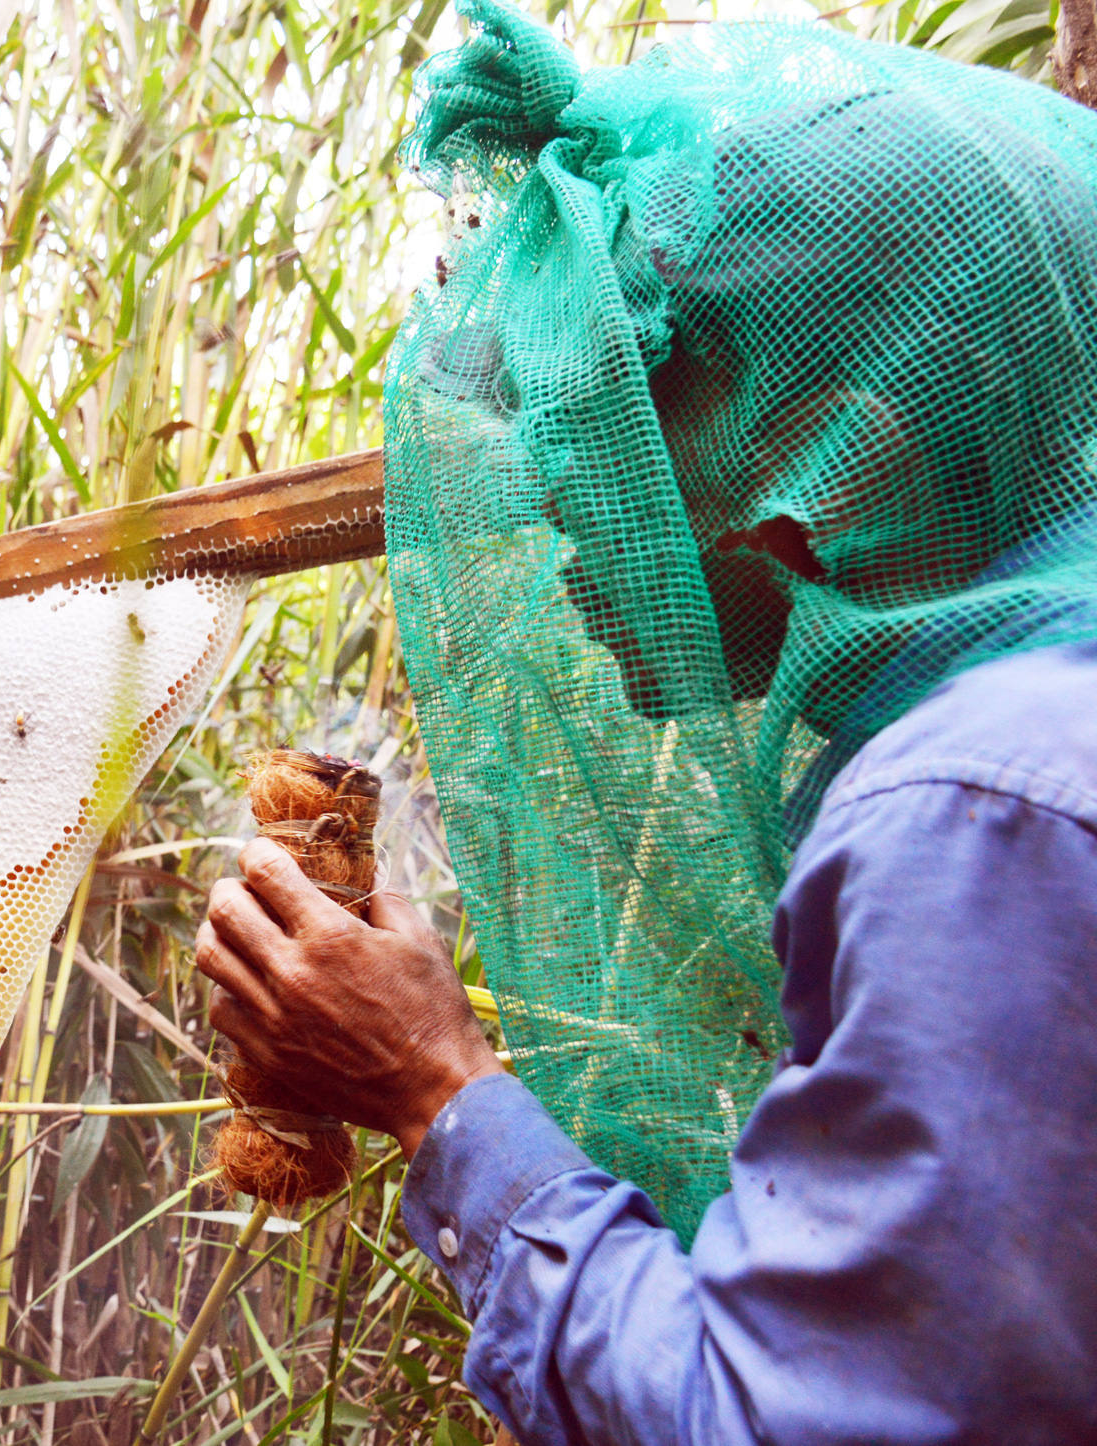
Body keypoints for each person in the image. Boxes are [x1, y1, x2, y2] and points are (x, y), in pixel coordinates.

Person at [196, 4, 1097, 1442]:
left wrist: (437, 1087)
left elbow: (775, 1419)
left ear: (836, 456)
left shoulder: (978, 809)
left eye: (611, 457)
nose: (571, 538)